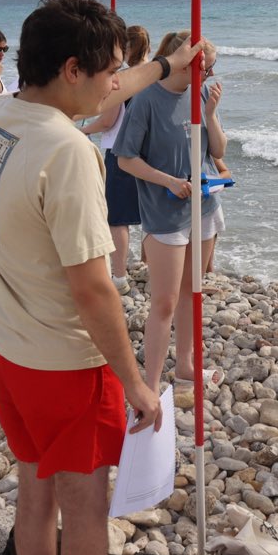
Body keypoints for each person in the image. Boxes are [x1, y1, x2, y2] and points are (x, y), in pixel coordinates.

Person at [0, 0, 201, 555]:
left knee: (35, 485)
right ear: (73, 70)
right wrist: (136, 386)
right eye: (109, 71)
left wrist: (172, 65)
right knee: (86, 509)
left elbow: (114, 86)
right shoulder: (68, 151)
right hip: (63, 367)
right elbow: (93, 288)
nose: (114, 85)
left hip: (1, 343)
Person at [113, 31, 226, 393]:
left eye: (210, 68)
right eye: (204, 67)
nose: (208, 75)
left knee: (193, 292)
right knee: (165, 301)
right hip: (165, 213)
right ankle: (149, 384)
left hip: (205, 205)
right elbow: (126, 159)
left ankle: (187, 368)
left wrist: (210, 113)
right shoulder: (146, 99)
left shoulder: (203, 95)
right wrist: (168, 181)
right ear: (184, 61)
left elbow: (219, 150)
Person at [81, 24, 151, 293]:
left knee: (117, 219)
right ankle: (154, 268)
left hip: (120, 150)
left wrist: (82, 129)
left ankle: (119, 276)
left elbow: (108, 120)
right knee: (150, 214)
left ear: (126, 48)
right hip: (151, 151)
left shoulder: (122, 79)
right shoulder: (154, 75)